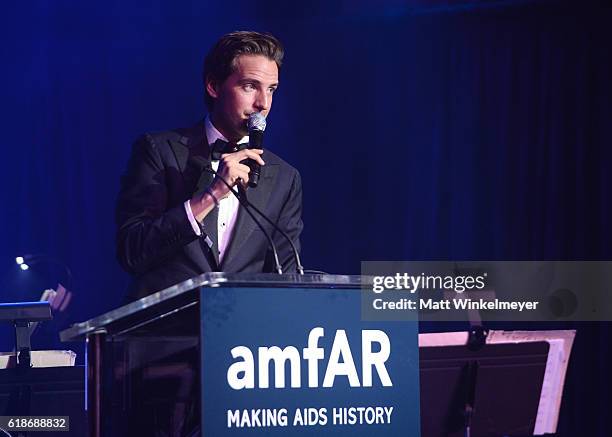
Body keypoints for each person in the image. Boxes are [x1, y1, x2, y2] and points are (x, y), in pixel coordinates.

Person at [116, 31, 303, 300]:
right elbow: (132, 252)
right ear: (214, 86)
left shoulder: (285, 178)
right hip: (166, 334)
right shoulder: (159, 151)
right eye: (250, 86)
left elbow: (286, 277)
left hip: (240, 336)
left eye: (271, 89)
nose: (263, 103)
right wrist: (211, 194)